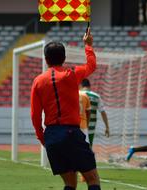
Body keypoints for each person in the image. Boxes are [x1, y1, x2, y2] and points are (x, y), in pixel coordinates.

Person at [31, 28, 101, 190]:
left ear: (46, 59)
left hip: (52, 136)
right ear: (64, 58)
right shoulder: (72, 74)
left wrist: (42, 138)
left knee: (70, 183)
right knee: (92, 179)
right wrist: (88, 45)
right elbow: (91, 65)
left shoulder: (38, 81)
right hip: (71, 133)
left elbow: (35, 115)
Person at [80, 78, 110, 147]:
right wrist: (107, 127)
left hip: (78, 126)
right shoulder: (96, 96)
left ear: (81, 85)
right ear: (89, 86)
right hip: (91, 127)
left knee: (77, 148)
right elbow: (103, 112)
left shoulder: (77, 94)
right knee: (88, 148)